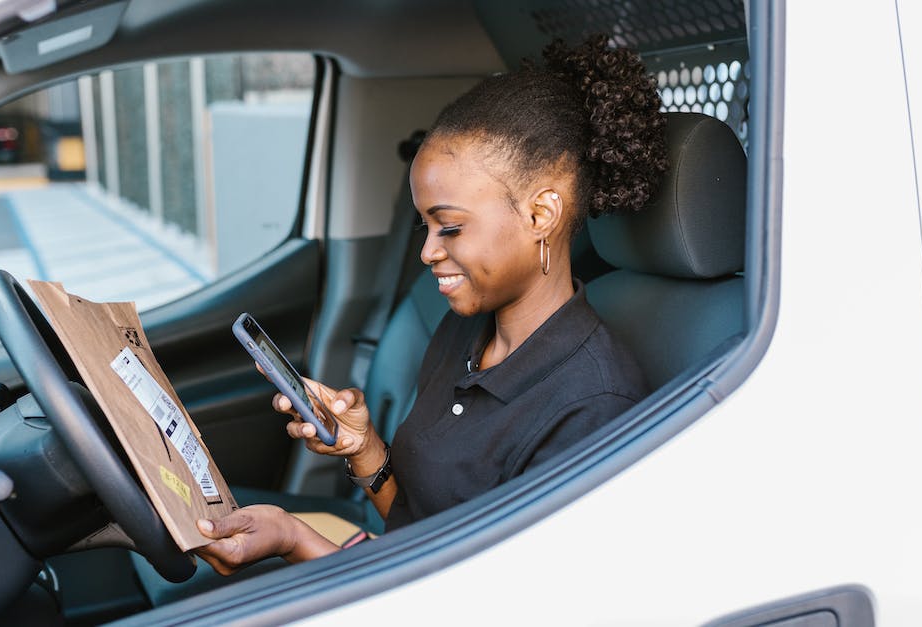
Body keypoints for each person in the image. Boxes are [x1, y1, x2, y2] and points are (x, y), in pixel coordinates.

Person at [193, 33, 668, 576]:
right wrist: (364, 447)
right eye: (426, 225)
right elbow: (424, 527)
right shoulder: (464, 332)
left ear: (541, 215)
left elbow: (474, 601)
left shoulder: (592, 408)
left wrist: (295, 539)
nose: (426, 251)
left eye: (452, 227)